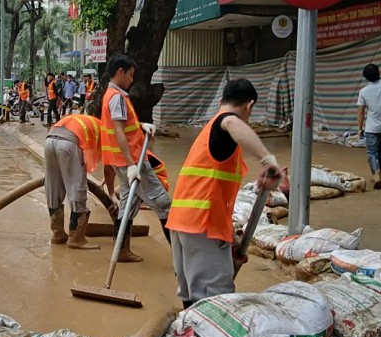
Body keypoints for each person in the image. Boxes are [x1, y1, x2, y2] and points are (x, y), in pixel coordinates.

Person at [167, 79, 283, 307]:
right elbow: (231, 121)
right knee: (214, 301)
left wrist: (229, 239)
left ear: (221, 101)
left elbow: (213, 187)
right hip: (202, 225)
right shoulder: (226, 122)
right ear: (249, 106)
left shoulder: (208, 131)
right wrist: (268, 159)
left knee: (191, 297)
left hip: (182, 223)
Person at [100, 54, 171, 263]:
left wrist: (141, 126)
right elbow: (119, 131)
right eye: (130, 75)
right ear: (120, 72)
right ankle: (182, 256)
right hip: (132, 162)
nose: (132, 79)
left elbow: (124, 126)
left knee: (127, 205)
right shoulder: (117, 98)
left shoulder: (114, 95)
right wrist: (132, 165)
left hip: (123, 161)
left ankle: (121, 251)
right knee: (164, 204)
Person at [45, 103, 115, 250]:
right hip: (69, 144)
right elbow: (109, 167)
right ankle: (76, 238)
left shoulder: (82, 119)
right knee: (77, 187)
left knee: (53, 187)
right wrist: (112, 194)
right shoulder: (104, 128)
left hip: (49, 141)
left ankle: (57, 234)